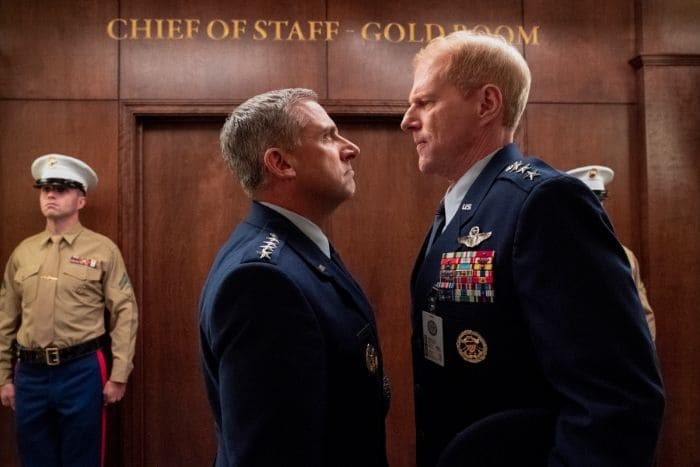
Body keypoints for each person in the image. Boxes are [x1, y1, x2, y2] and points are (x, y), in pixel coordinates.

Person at [400, 31, 665, 466]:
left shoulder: (543, 202)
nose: (408, 120)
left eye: (425, 103)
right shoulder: (464, 207)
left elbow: (617, 400)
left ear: (487, 104)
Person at [199, 88, 389, 467]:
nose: (350, 148)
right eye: (327, 137)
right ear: (281, 163)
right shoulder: (262, 281)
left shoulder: (301, 250)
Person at [0, 154, 138, 467]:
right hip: (30, 374)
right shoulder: (24, 252)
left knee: (83, 458)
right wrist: (3, 377)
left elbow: (124, 312)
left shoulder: (102, 250)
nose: (50, 195)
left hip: (81, 370)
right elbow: (5, 318)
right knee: (34, 458)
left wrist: (119, 374)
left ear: (81, 200)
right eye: (45, 188)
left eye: (61, 189)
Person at [567, 165, 657, 341]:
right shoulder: (556, 254)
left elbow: (644, 316)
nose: (596, 208)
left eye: (600, 200)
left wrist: (645, 352)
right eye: (588, 201)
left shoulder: (626, 256)